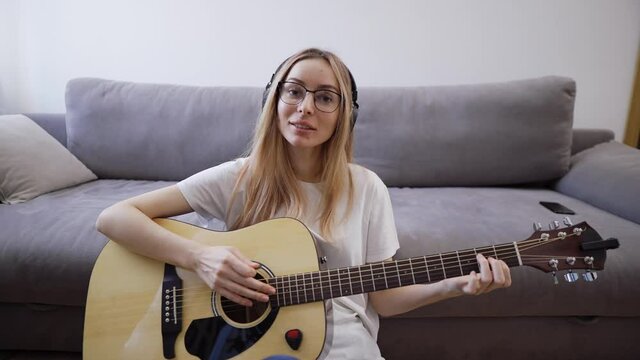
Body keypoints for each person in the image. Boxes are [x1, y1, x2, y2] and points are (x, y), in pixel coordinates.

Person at [96, 47, 512, 359]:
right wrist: (199, 257)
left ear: (344, 115)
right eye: (293, 92)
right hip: (244, 344)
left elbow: (382, 298)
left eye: (325, 97)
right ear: (274, 102)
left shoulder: (367, 188)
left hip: (344, 340)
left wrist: (454, 285)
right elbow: (115, 217)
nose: (306, 108)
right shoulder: (239, 177)